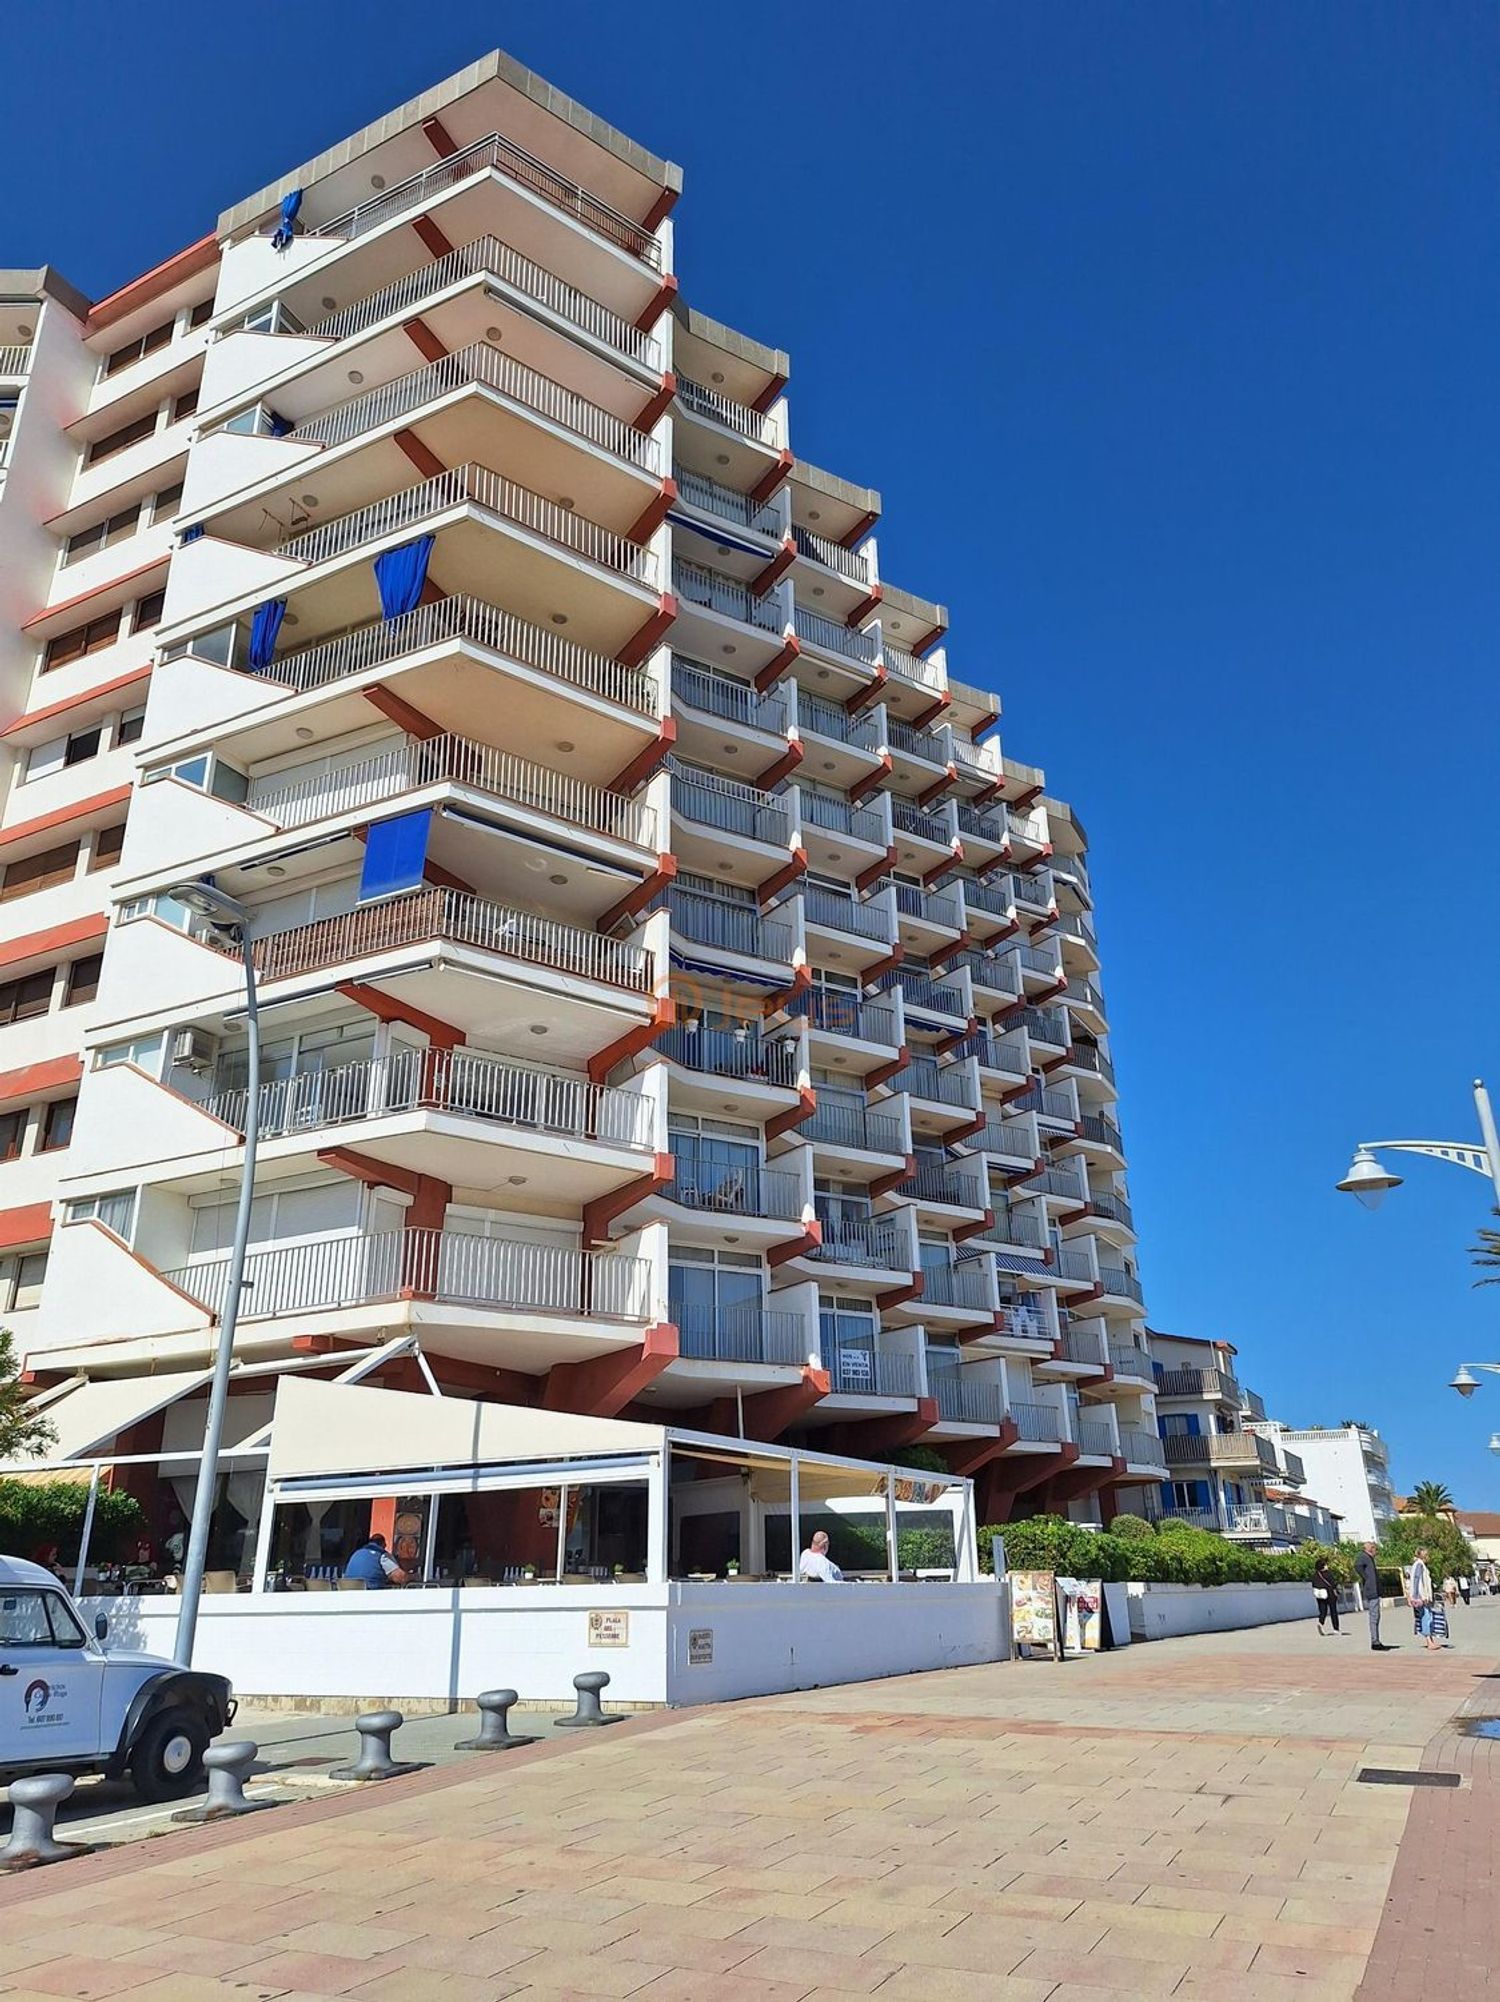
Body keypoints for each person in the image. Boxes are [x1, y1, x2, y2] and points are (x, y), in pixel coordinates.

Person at [343, 1532, 409, 1589]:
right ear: (383, 1544)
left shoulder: (356, 1553)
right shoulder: (382, 1555)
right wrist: (414, 1576)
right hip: (371, 1593)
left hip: (347, 1592)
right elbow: (400, 1578)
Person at [1354, 1542, 1388, 1650]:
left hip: (1374, 1590)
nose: (1376, 1551)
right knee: (1374, 1616)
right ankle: (1375, 1641)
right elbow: (1357, 1566)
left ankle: (1376, 1640)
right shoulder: (1363, 1557)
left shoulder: (1369, 1558)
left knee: (1376, 1616)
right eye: (1374, 1548)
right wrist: (1366, 1578)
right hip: (1371, 1591)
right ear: (1370, 1549)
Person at [1408, 1547, 1441, 1652]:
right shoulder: (1419, 1565)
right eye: (1426, 1554)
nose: (1428, 1556)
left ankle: (1430, 1640)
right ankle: (1429, 1641)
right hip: (1422, 1597)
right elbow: (1417, 1582)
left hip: (1423, 1596)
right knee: (1426, 1617)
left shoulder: (1420, 1565)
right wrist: (1422, 1596)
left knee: (1427, 1616)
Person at [1312, 1556, 1341, 1634]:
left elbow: (1313, 1584)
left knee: (1322, 1611)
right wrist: (1336, 1592)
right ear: (1323, 1566)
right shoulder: (1328, 1573)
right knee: (1333, 1611)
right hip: (1329, 1593)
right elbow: (1333, 1584)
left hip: (1320, 1594)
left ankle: (1320, 1623)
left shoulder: (1315, 1575)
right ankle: (1336, 1629)